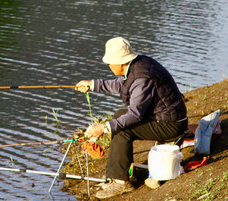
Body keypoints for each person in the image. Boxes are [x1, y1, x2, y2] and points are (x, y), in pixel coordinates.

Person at [75, 37, 188, 199]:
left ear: (120, 62)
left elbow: (135, 115)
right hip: (167, 117)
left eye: (110, 62)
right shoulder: (138, 65)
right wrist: (92, 84)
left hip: (171, 124)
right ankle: (118, 173)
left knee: (122, 130)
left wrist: (104, 127)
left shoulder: (142, 78)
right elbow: (121, 85)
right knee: (119, 116)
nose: (108, 65)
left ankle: (121, 183)